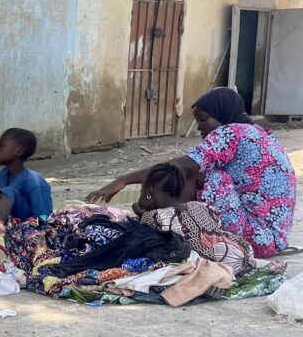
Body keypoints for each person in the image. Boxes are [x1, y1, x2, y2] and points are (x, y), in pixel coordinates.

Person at [87, 87, 296, 258]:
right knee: (202, 167)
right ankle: (168, 217)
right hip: (273, 240)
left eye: (204, 120)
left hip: (252, 238)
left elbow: (183, 166)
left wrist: (123, 180)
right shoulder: (259, 133)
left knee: (196, 171)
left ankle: (169, 219)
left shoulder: (231, 131)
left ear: (223, 115)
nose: (199, 128)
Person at [134, 162, 255, 275]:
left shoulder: (153, 217)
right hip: (241, 256)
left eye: (142, 190)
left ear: (150, 190)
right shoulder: (203, 206)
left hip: (212, 268)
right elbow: (220, 230)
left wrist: (142, 216)